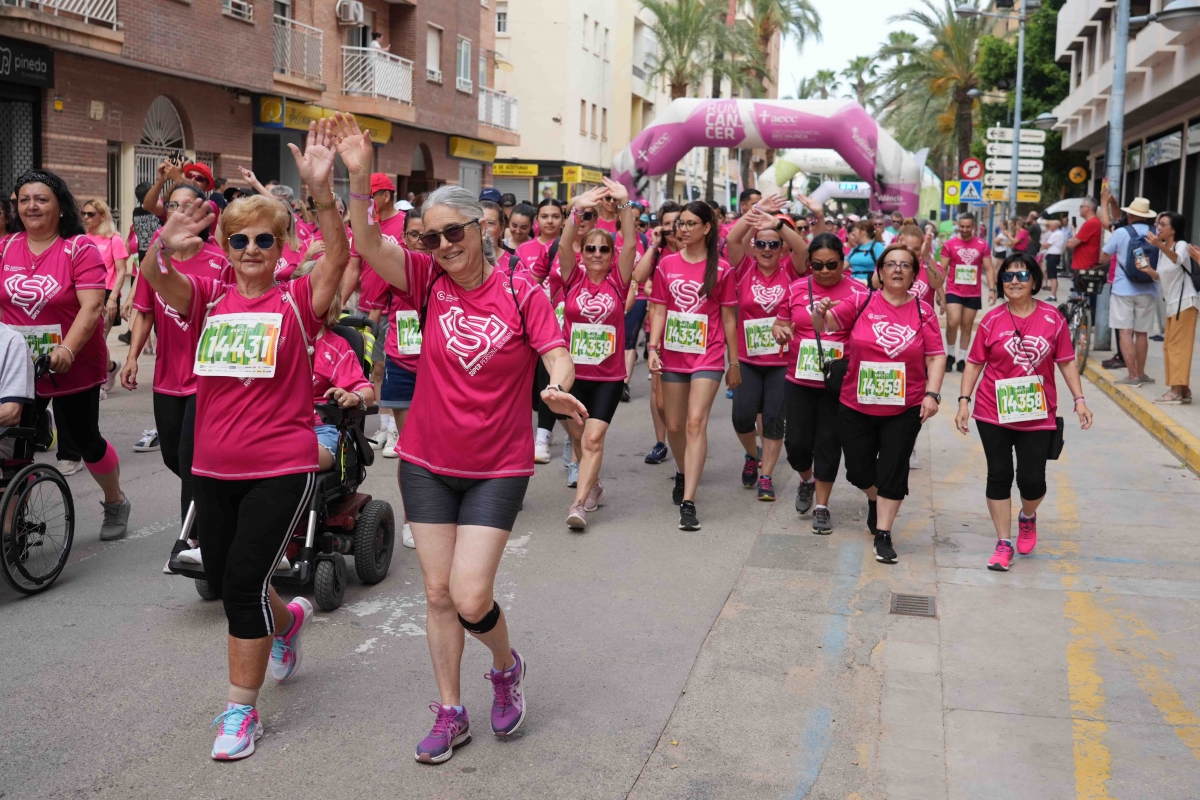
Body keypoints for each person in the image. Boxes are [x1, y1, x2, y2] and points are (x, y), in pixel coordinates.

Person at [335, 113, 586, 764]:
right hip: (426, 459)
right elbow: (365, 241)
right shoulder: (426, 282)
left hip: (496, 466)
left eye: (454, 233)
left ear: (483, 230)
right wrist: (359, 177)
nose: (443, 244)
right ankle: (451, 710)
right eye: (431, 236)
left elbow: (558, 353)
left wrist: (558, 387)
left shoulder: (520, 292)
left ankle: (504, 666)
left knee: (473, 595)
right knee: (439, 593)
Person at [137, 119, 347, 761]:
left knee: (240, 584)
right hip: (213, 464)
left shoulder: (295, 302)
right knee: (234, 575)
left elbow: (337, 254)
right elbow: (157, 281)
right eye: (239, 240)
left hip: (282, 462)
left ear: (281, 246)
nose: (251, 248)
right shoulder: (209, 296)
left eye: (263, 239)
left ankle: (239, 713)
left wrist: (323, 193)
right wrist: (160, 244)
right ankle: (290, 623)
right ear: (224, 247)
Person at [2, 170, 132, 539]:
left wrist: (66, 350)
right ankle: (15, 523)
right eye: (24, 199)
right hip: (18, 365)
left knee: (84, 438)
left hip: (70, 360)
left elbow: (92, 308)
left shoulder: (79, 248)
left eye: (41, 199)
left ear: (60, 207)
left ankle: (115, 501)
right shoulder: (5, 248)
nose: (31, 206)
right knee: (14, 441)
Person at [955, 252, 1093, 571]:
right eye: (1007, 276)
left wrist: (1079, 399)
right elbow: (975, 362)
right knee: (999, 475)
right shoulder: (991, 319)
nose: (1014, 282)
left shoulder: (1052, 318)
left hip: (1037, 413)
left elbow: (1066, 361)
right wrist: (964, 401)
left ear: (1034, 281)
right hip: (993, 411)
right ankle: (1003, 543)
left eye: (1021, 275)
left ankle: (1027, 516)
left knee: (1032, 481)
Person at [811, 242, 946, 562]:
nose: (898, 269)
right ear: (880, 272)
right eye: (891, 264)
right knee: (858, 472)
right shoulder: (860, 301)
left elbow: (936, 356)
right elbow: (824, 326)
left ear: (914, 274)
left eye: (905, 265)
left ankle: (884, 533)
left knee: (894, 468)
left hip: (906, 406)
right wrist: (819, 313)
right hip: (856, 403)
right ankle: (875, 497)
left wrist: (932, 394)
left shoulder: (922, 310)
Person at [121, 182, 231, 533]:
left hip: (206, 380)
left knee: (188, 459)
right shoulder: (153, 260)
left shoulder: (219, 262)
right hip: (168, 378)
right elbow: (145, 311)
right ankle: (213, 503)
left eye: (189, 206)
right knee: (173, 456)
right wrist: (132, 356)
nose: (180, 212)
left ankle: (192, 541)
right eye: (173, 205)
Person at [646, 201, 738, 531]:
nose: (682, 229)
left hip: (708, 355)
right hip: (672, 354)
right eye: (680, 223)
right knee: (674, 424)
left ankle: (689, 500)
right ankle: (683, 469)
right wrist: (652, 348)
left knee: (695, 422)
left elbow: (729, 317)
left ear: (706, 228)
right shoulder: (666, 264)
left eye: (689, 223)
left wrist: (734, 361)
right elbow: (657, 308)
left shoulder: (723, 269)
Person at [556, 181, 638, 529]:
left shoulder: (618, 282)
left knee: (592, 438)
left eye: (603, 250)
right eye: (590, 249)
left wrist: (623, 206)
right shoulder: (571, 277)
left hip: (607, 377)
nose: (596, 255)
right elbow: (563, 243)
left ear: (611, 255)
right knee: (577, 436)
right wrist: (577, 209)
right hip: (573, 374)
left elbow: (631, 242)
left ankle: (578, 505)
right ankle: (595, 485)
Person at [774, 232, 867, 531]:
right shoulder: (797, 287)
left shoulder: (859, 291)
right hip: (799, 378)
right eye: (818, 265)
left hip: (837, 383)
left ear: (843, 262)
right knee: (796, 444)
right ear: (809, 264)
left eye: (832, 264)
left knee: (828, 443)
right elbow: (780, 322)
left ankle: (823, 507)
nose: (825, 271)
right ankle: (807, 479)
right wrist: (780, 331)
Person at [723, 196, 809, 500]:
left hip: (782, 362)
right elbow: (732, 238)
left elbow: (803, 249)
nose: (768, 250)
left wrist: (777, 224)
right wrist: (754, 212)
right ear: (753, 247)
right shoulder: (743, 267)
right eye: (762, 244)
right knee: (742, 418)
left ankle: (767, 476)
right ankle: (751, 455)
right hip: (747, 359)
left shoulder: (791, 270)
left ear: (781, 248)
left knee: (774, 419)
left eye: (774, 244)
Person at [637, 202, 681, 465]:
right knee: (659, 393)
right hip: (659, 329)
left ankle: (683, 437)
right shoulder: (658, 253)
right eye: (667, 225)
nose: (672, 229)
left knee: (682, 392)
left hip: (687, 331)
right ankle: (661, 441)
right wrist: (653, 244)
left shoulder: (695, 251)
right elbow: (639, 277)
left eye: (677, 223)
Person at [1104, 197, 1160, 386]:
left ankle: (1133, 376)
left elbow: (1104, 256)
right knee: (1142, 333)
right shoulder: (1156, 232)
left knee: (1125, 333)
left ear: (1130, 214)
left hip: (1123, 289)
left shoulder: (1121, 233)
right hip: (1148, 288)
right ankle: (1142, 373)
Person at [1146, 213, 1195, 404]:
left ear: (1173, 229)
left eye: (1163, 225)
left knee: (1177, 348)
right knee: (1169, 347)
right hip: (1173, 305)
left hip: (1185, 303)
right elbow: (1159, 275)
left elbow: (1177, 259)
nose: (1158, 228)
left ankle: (1175, 391)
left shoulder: (1181, 245)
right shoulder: (1163, 249)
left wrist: (1159, 244)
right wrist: (1148, 270)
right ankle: (1183, 389)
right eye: (1158, 224)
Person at [81, 197, 128, 395]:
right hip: (85, 293)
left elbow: (121, 271)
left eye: (90, 214)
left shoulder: (113, 239)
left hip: (107, 293)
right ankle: (109, 368)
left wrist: (113, 298)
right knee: (90, 338)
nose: (86, 217)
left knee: (99, 337)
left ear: (102, 216)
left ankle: (98, 382)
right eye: (83, 213)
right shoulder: (82, 238)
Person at [940, 213, 993, 373]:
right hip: (953, 290)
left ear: (973, 227)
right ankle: (950, 354)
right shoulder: (949, 245)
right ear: (958, 226)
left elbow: (989, 268)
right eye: (961, 226)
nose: (964, 230)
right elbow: (943, 269)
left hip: (973, 293)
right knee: (952, 322)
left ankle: (962, 358)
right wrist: (938, 291)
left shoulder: (982, 245)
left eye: (967, 227)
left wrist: (992, 289)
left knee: (967, 326)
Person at [1040, 219, 1066, 302]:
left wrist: (1042, 244)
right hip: (1053, 255)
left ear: (1055, 226)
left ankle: (1053, 295)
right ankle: (1053, 294)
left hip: (1053, 255)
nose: (1049, 227)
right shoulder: (1057, 233)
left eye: (1050, 225)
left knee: (1052, 276)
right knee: (1052, 275)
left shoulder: (1056, 234)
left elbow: (1046, 245)